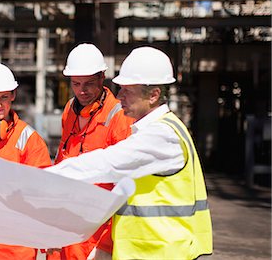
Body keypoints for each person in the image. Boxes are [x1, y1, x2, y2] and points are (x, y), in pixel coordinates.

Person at [46, 46, 213, 260]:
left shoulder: (161, 136)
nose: (119, 96)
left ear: (153, 95)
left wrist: (45, 177)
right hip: (148, 250)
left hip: (161, 252)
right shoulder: (160, 129)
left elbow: (106, 164)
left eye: (128, 91)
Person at [48, 43, 134, 260]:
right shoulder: (70, 110)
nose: (81, 91)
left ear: (102, 77)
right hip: (66, 226)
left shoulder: (119, 118)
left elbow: (125, 189)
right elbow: (63, 160)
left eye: (88, 84)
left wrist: (105, 245)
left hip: (96, 234)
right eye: (76, 84)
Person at [0, 63, 52, 260]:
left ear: (13, 95)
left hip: (16, 247)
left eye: (4, 97)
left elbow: (43, 192)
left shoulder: (29, 139)